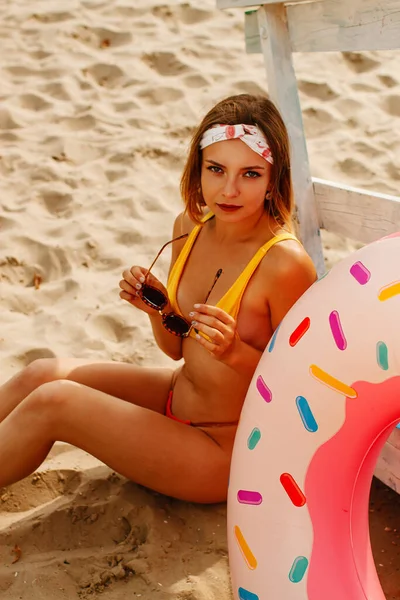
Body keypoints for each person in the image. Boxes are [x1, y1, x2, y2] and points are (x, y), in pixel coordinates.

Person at [0, 94, 316, 504]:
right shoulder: (189, 226)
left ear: (273, 179)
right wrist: (159, 310)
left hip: (220, 448)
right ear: (198, 169)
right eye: (216, 169)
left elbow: (301, 391)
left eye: (251, 174)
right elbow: (175, 351)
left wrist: (234, 350)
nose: (229, 190)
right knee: (41, 374)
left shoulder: (284, 264)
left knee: (55, 401)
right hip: (174, 393)